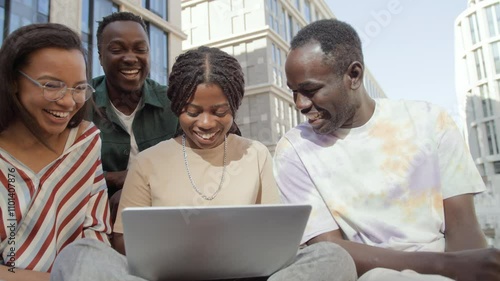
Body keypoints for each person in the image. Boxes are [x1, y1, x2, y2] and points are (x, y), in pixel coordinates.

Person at [50, 46, 357, 281]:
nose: (207, 123)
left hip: (246, 277)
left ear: (234, 107)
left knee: (333, 257)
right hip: (167, 278)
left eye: (220, 112)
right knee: (80, 255)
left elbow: (275, 238)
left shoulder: (256, 154)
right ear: (176, 107)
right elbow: (122, 242)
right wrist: (179, 255)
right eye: (193, 112)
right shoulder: (148, 162)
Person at [273, 18, 500, 281]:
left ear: (354, 75)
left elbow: (465, 232)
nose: (299, 104)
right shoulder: (294, 150)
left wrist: (461, 271)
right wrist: (444, 265)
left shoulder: (430, 121)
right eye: (294, 92)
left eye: (310, 90)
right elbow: (330, 253)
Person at [0, 23, 111, 281]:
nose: (68, 101)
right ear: (14, 81)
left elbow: (95, 233)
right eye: (52, 85)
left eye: (79, 88)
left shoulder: (85, 142)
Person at [89, 11, 178, 222]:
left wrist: (135, 187)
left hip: (168, 214)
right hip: (95, 219)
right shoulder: (80, 103)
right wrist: (114, 179)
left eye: (140, 49)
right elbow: (62, 172)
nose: (130, 58)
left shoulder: (173, 103)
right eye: (117, 49)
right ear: (100, 56)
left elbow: (191, 166)